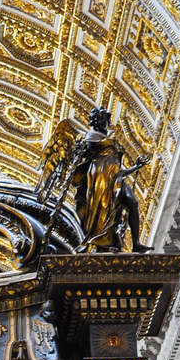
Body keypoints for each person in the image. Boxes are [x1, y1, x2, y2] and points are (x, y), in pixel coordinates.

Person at [70, 108, 149, 252]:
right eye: (100, 119)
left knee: (133, 201)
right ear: (95, 121)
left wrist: (136, 167)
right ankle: (97, 240)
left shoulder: (111, 141)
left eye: (105, 119)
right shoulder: (91, 136)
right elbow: (81, 156)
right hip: (99, 177)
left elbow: (117, 171)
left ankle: (136, 243)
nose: (104, 122)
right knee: (102, 209)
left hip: (115, 178)